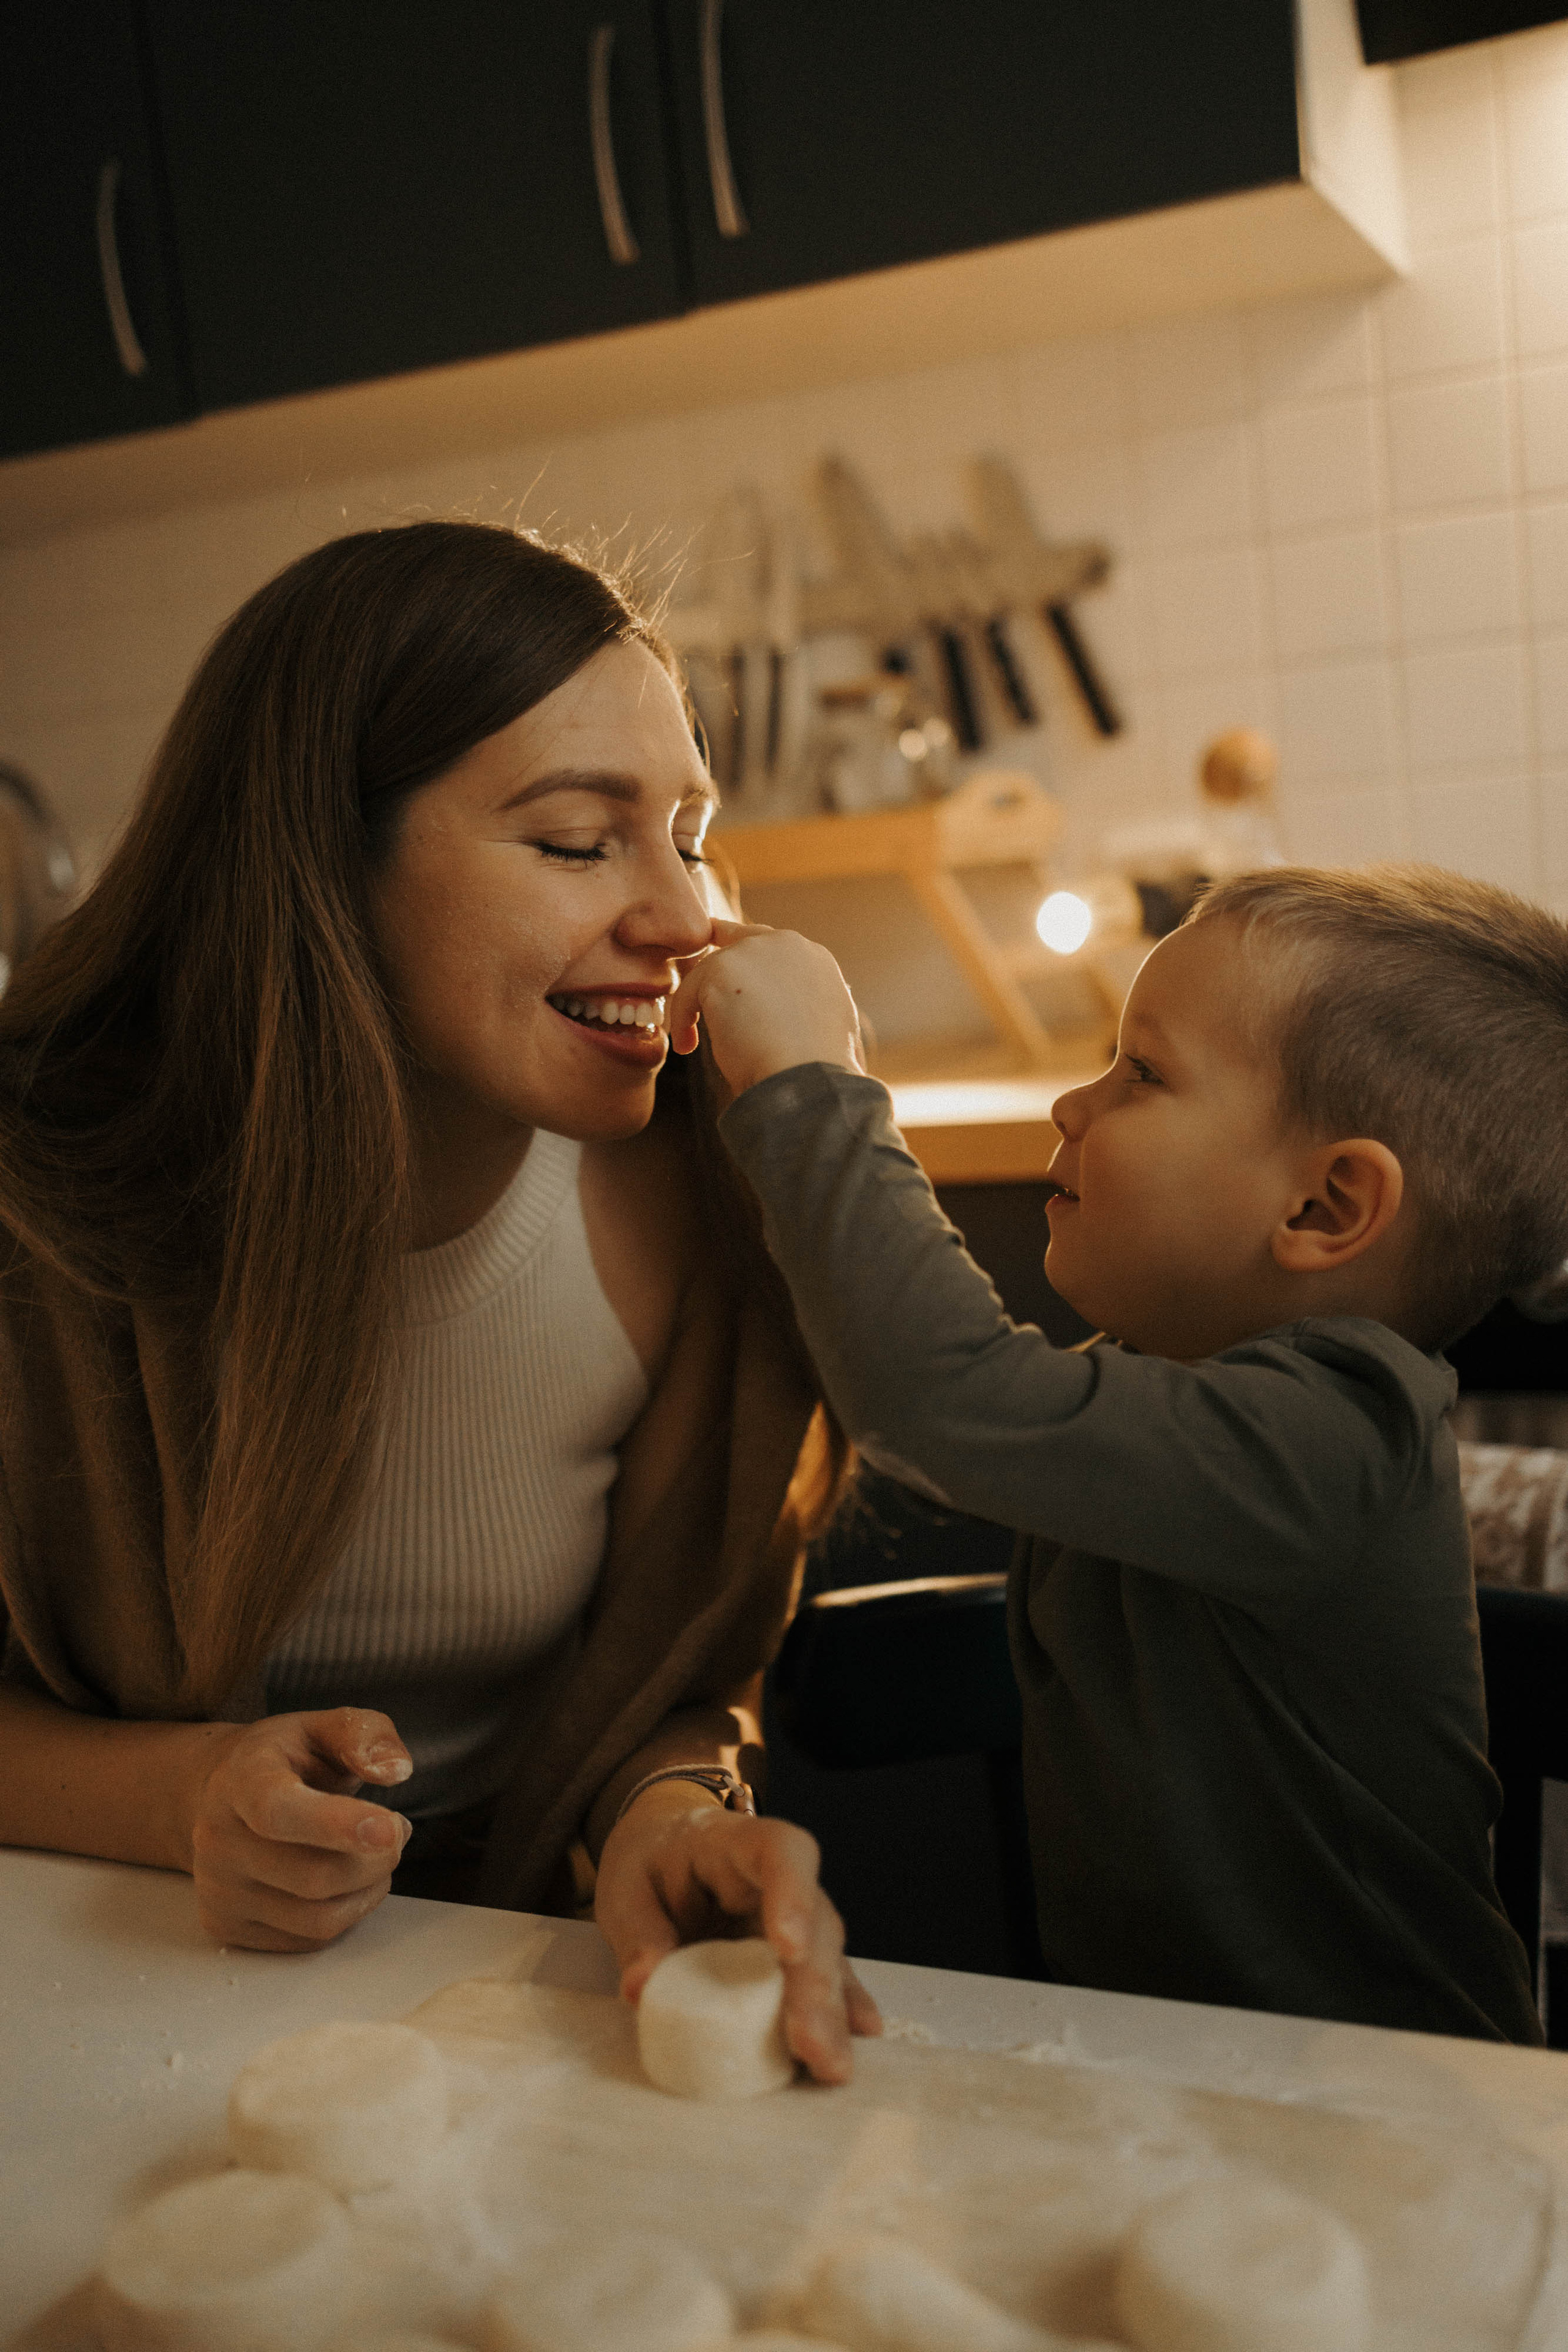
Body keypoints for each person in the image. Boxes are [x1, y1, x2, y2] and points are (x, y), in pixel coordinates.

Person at [0, 519, 878, 2080]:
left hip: (514, 1988)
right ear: (319, 863)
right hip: (88, 1976)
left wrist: (666, 1817)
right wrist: (180, 1798)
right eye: (573, 840)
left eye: (688, 831)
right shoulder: (40, 1210)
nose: (684, 918)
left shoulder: (712, 1186)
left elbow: (672, 1683)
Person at [669, 865, 1568, 2043]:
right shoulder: (1174, 1389)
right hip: (1177, 2079)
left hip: (1388, 2115)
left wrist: (814, 1081)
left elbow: (940, 1394)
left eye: (1142, 1073)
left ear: (1325, 1208)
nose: (1072, 1106)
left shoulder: (1334, 1438)